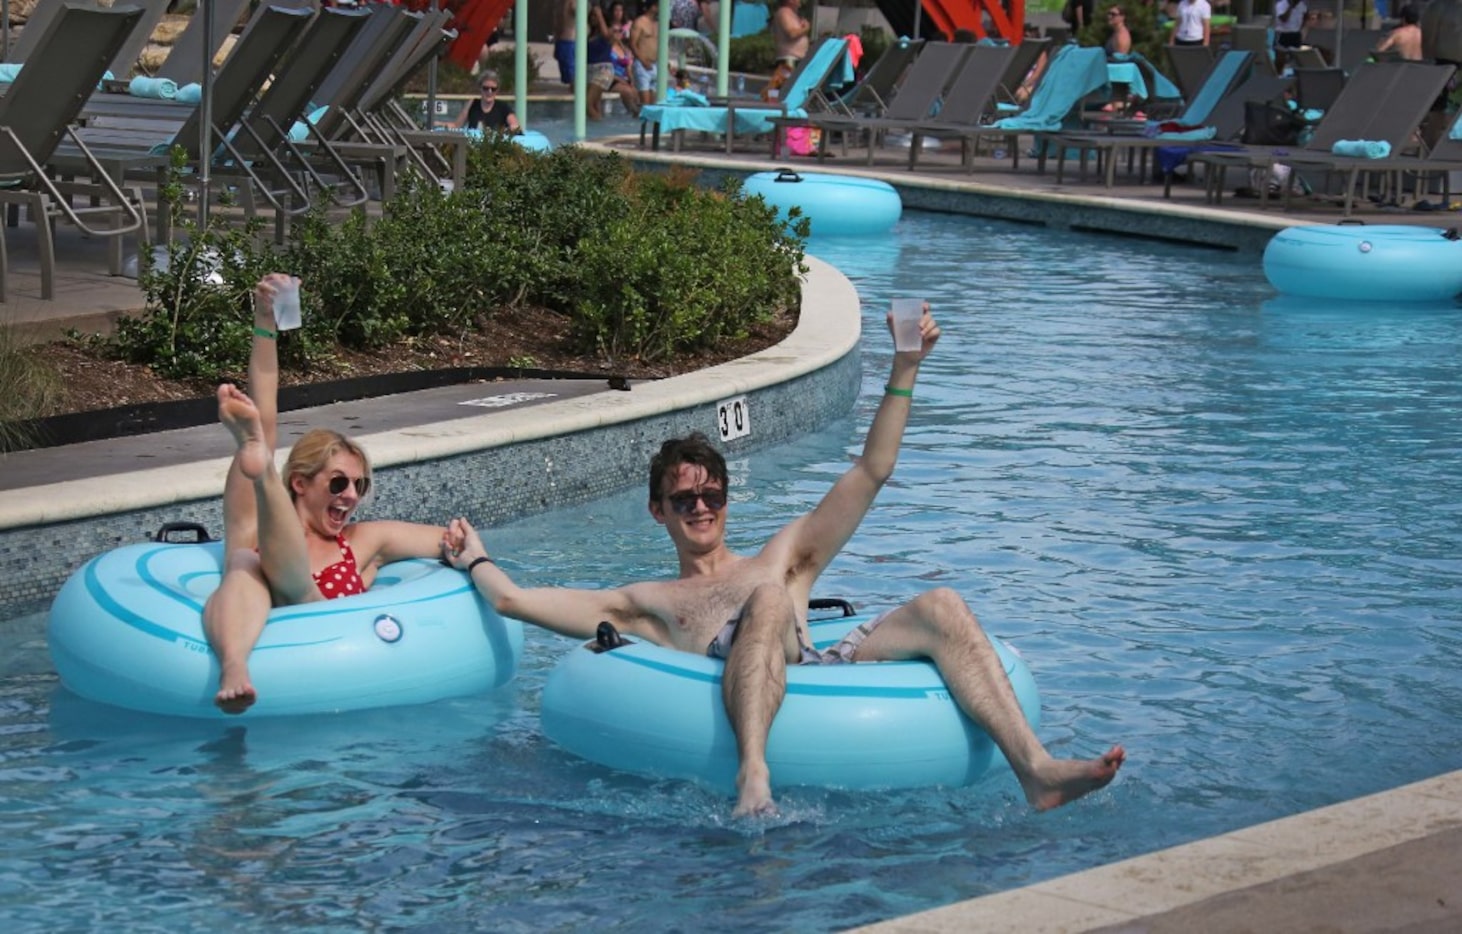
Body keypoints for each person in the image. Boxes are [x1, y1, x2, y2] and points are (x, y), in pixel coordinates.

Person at [442, 308, 1126, 818]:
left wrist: (906, 368)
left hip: (815, 662)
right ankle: (753, 777)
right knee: (766, 602)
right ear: (658, 511)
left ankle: (1036, 769)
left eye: (712, 494)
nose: (701, 507)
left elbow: (872, 469)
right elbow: (515, 602)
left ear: (726, 500)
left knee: (941, 604)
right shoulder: (645, 601)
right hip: (737, 668)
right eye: (684, 498)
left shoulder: (784, 556)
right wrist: (475, 558)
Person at [204, 275, 456, 714]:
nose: (351, 496)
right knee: (245, 560)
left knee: (293, 584)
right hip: (262, 609)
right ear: (300, 483)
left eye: (360, 486)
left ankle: (260, 466)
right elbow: (265, 405)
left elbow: (448, 538)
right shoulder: (252, 530)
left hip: (326, 633)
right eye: (338, 483)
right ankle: (233, 665)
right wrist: (265, 321)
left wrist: (473, 557)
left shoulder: (362, 543)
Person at [454, 70, 521, 133]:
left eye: (493, 89)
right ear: (480, 88)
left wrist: (504, 131)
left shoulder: (503, 107)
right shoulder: (472, 104)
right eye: (486, 88)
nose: (489, 92)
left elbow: (515, 127)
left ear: (497, 90)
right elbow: (456, 126)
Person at [768, 0, 811, 97]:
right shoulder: (784, 13)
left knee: (789, 90)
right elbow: (791, 33)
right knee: (784, 89)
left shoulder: (793, 14)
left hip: (796, 59)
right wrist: (805, 28)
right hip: (788, 60)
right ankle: (774, 107)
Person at [630, 1, 660, 105]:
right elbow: (633, 44)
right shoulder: (639, 22)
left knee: (653, 104)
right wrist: (642, 61)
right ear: (652, 7)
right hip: (642, 64)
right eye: (658, 6)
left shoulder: (657, 24)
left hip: (655, 64)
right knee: (645, 103)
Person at [553, 0, 578, 86]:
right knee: (567, 74)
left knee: (571, 74)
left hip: (569, 40)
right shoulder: (559, 4)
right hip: (562, 40)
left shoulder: (573, 3)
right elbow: (557, 24)